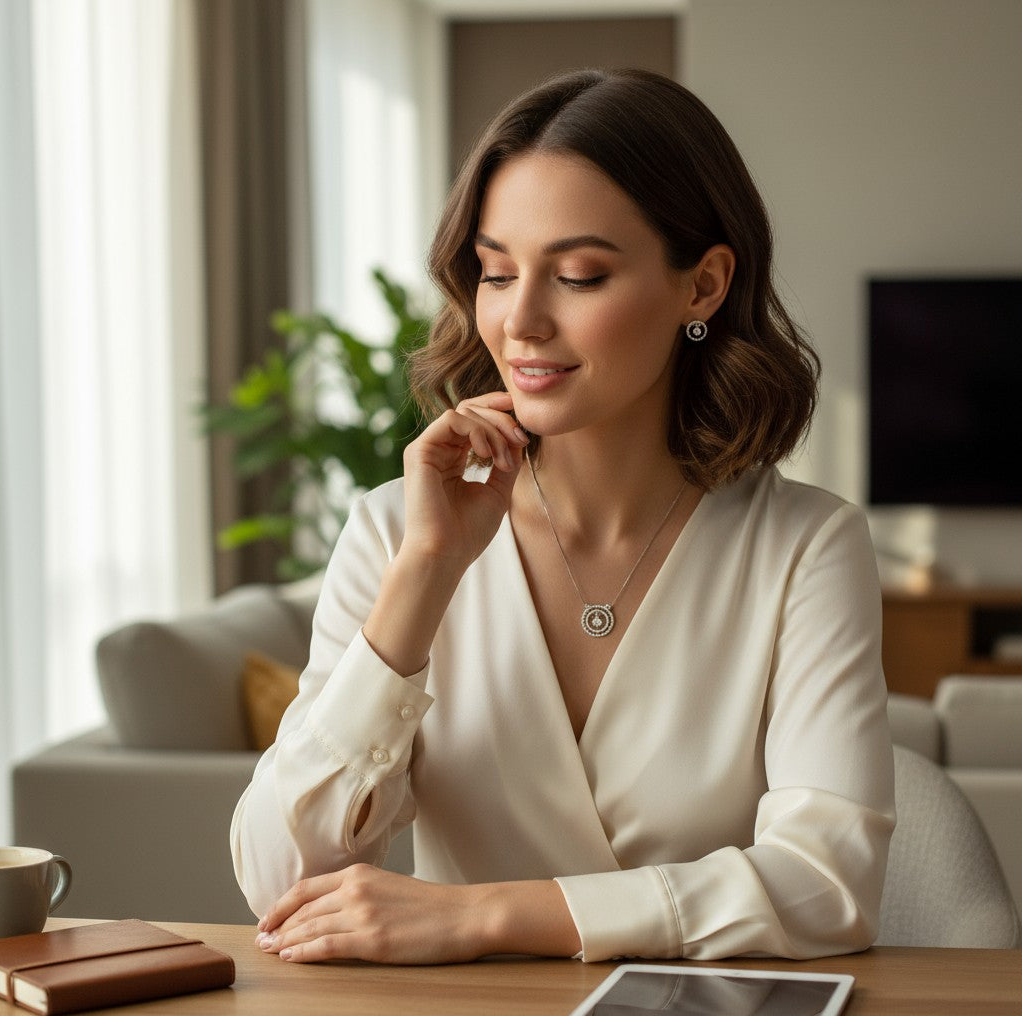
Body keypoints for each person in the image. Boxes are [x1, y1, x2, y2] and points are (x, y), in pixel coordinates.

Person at [231, 67, 895, 966]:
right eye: (497, 273)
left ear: (702, 286)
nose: (520, 322)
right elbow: (282, 886)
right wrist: (424, 575)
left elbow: (828, 884)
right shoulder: (398, 532)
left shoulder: (805, 547)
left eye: (579, 276)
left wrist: (479, 916)